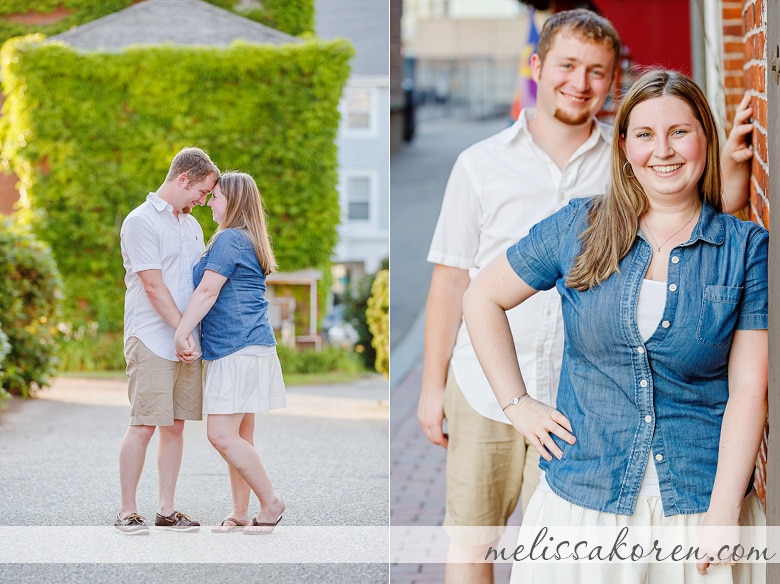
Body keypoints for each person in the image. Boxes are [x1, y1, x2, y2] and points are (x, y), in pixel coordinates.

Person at [418, 9, 753, 582]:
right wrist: (436, 389)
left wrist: (730, 175)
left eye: (596, 70)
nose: (580, 82)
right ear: (538, 68)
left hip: (590, 403)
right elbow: (457, 282)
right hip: (490, 383)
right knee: (475, 540)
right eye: (567, 66)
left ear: (613, 78)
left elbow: (695, 235)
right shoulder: (483, 165)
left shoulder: (627, 154)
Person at [174, 171, 286, 535]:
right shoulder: (243, 239)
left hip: (237, 350)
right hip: (251, 347)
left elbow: (206, 292)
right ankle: (240, 511)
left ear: (234, 202)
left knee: (221, 434)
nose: (210, 203)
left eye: (217, 197)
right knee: (240, 437)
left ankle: (271, 503)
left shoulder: (230, 240)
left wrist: (181, 331)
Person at [116, 146, 220, 534]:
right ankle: (127, 510)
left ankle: (166, 509)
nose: (204, 200)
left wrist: (192, 333)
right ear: (183, 178)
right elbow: (153, 286)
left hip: (185, 340)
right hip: (152, 338)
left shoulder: (192, 225)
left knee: (175, 427)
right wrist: (182, 331)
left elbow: (197, 284)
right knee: (144, 424)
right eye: (203, 191)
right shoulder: (140, 221)